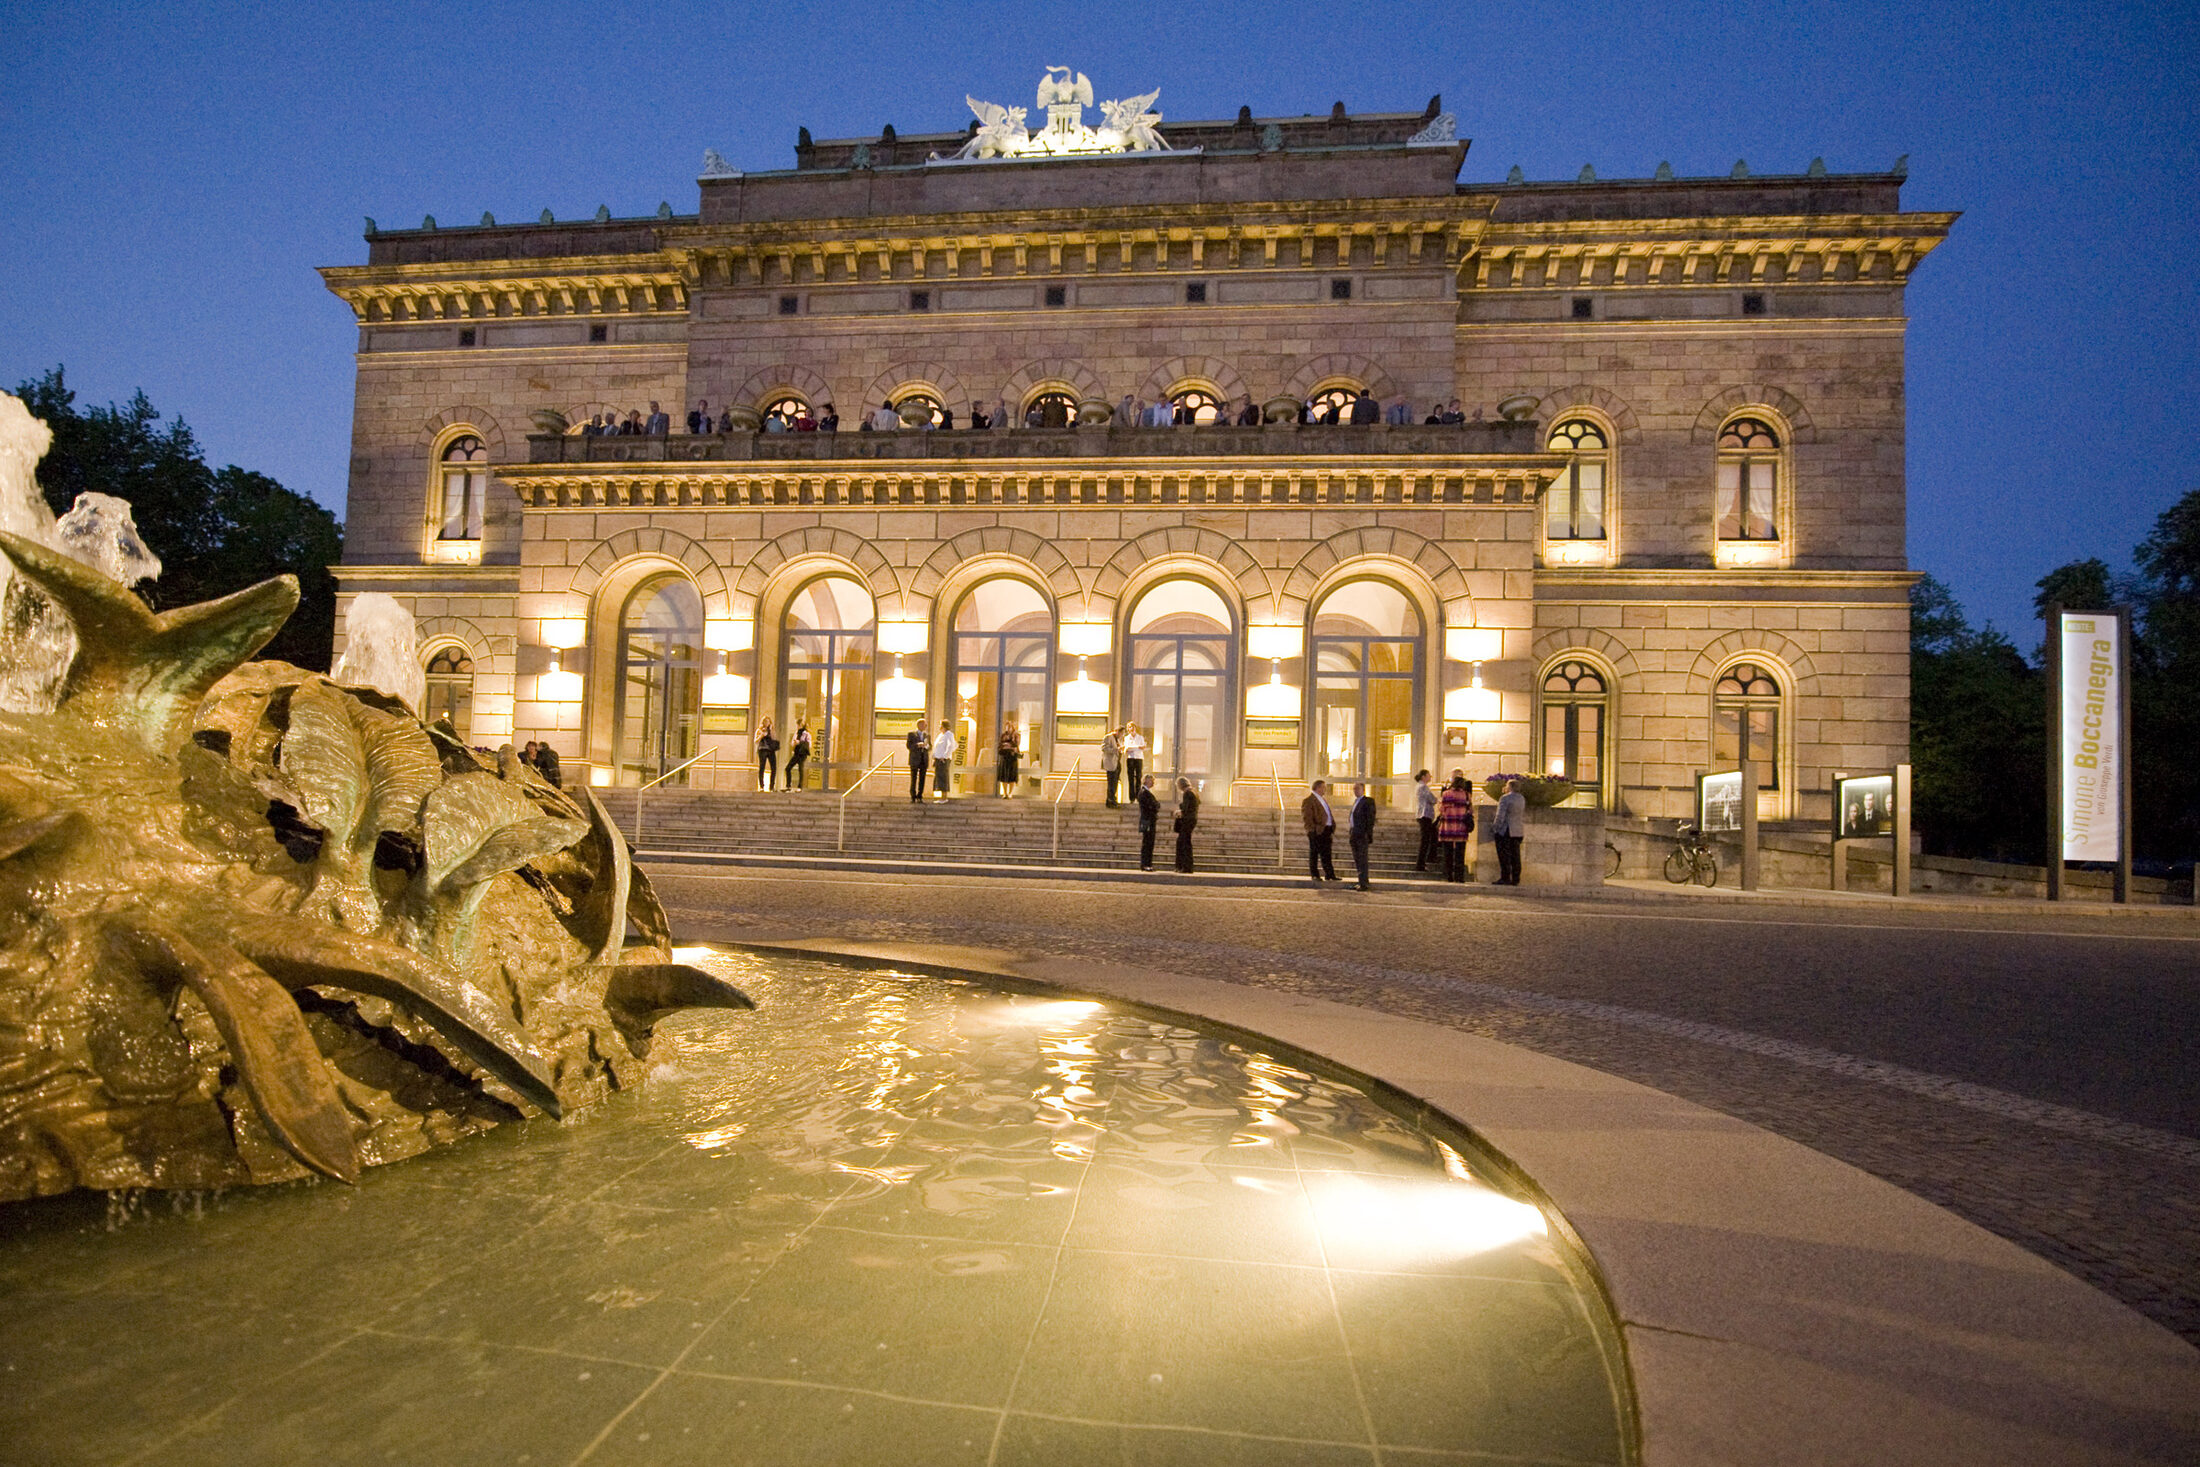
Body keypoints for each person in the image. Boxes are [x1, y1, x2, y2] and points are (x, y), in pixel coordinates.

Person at [1300, 779, 1339, 886]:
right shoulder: (1309, 800)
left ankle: (1329, 874)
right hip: (1317, 830)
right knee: (1314, 853)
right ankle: (1315, 874)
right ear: (1317, 787)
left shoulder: (1322, 799)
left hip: (1326, 830)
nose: (1324, 789)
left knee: (1327, 853)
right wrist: (1312, 830)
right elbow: (1307, 817)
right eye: (1323, 787)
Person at [1437, 773, 1474, 883]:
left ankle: (1449, 876)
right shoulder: (1467, 795)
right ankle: (1459, 877)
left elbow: (1441, 809)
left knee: (1447, 853)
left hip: (1447, 826)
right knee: (1460, 854)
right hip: (1461, 827)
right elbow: (1470, 810)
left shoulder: (1446, 794)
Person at [1493, 777, 1527, 886]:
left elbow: (1500, 815)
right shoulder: (1521, 798)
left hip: (1506, 829)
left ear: (1510, 787)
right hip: (1518, 830)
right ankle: (1516, 878)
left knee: (1504, 855)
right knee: (1515, 855)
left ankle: (1505, 877)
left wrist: (1495, 827)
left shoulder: (1505, 798)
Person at [1348, 782, 1376, 891]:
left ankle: (1364, 883)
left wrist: (1367, 834)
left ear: (1363, 790)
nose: (1355, 791)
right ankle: (1361, 881)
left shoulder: (1368, 801)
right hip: (1354, 833)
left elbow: (1370, 819)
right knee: (1357, 859)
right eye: (1354, 789)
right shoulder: (1356, 802)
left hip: (1361, 834)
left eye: (1357, 789)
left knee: (1362, 859)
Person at [1413, 769, 1439, 871]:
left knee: (1431, 835)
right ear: (1423, 776)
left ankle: (1429, 857)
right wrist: (1437, 799)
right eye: (1429, 775)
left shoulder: (1420, 786)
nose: (1430, 777)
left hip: (1423, 815)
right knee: (1425, 840)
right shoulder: (1423, 787)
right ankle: (1421, 863)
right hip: (1425, 815)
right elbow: (1431, 799)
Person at [1173, 777, 1199, 872]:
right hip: (1192, 819)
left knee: (1184, 842)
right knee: (1184, 841)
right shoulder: (1194, 792)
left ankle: (1185, 866)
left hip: (1187, 820)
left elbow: (1186, 807)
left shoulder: (1187, 793)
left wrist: (1180, 811)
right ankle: (1184, 866)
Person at [1135, 774, 1160, 870]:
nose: (1153, 782)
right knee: (1148, 843)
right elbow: (1152, 805)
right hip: (1147, 820)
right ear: (1146, 781)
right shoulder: (1144, 792)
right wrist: (1156, 805)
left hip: (1149, 820)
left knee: (1149, 842)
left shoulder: (1146, 792)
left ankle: (1148, 863)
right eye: (1151, 780)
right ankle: (1145, 864)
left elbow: (1155, 804)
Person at [930, 720, 957, 799]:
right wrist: (934, 755)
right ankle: (940, 795)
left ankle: (944, 797)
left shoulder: (949, 735)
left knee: (943, 777)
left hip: (943, 760)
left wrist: (945, 756)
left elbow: (951, 746)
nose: (939, 726)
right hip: (938, 759)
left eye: (940, 725)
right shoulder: (941, 735)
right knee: (938, 777)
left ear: (944, 726)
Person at [906, 719, 930, 803]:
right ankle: (913, 795)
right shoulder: (912, 734)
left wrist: (927, 746)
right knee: (914, 778)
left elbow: (930, 746)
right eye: (924, 725)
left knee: (922, 778)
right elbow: (909, 746)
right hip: (915, 759)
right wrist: (917, 745)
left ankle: (920, 795)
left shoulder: (927, 735)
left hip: (924, 759)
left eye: (926, 725)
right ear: (919, 725)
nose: (925, 726)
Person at [1099, 725, 1123, 807]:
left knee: (1115, 781)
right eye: (1121, 733)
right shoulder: (1108, 737)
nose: (1121, 735)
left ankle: (1112, 798)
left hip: (1116, 763)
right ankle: (1110, 800)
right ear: (1117, 731)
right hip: (1110, 763)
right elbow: (1104, 748)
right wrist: (1116, 750)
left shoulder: (1116, 739)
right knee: (1111, 782)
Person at [995, 719, 1020, 797]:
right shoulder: (1003, 735)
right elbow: (1000, 744)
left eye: (1009, 726)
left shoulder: (1016, 735)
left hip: (1012, 757)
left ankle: (1010, 793)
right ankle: (1005, 793)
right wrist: (1006, 745)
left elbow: (1016, 744)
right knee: (1004, 775)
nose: (1007, 728)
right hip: (1004, 756)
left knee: (1012, 775)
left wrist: (1007, 743)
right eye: (1006, 726)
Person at [786, 721, 812, 790]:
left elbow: (809, 745)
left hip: (802, 754)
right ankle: (788, 785)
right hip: (796, 753)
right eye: (797, 725)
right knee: (788, 768)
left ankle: (800, 786)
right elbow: (792, 743)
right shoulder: (796, 733)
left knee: (800, 769)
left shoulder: (806, 734)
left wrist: (800, 742)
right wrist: (794, 743)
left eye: (799, 725)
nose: (798, 726)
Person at [755, 718, 780, 791]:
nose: (766, 723)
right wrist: (761, 736)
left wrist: (771, 731)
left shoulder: (771, 730)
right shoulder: (759, 730)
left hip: (771, 750)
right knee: (762, 767)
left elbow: (774, 738)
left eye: (768, 722)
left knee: (773, 767)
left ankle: (771, 786)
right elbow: (756, 741)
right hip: (762, 750)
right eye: (765, 722)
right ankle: (761, 786)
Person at [1122, 722, 1146, 793]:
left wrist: (1131, 747)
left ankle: (1138, 795)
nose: (1132, 729)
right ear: (1128, 729)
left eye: (1133, 727)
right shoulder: (1126, 738)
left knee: (1138, 777)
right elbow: (1127, 748)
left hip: (1139, 758)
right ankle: (1131, 797)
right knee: (1131, 777)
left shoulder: (1140, 737)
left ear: (1135, 728)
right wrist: (1137, 747)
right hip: (1130, 758)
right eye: (1130, 727)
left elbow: (1143, 747)